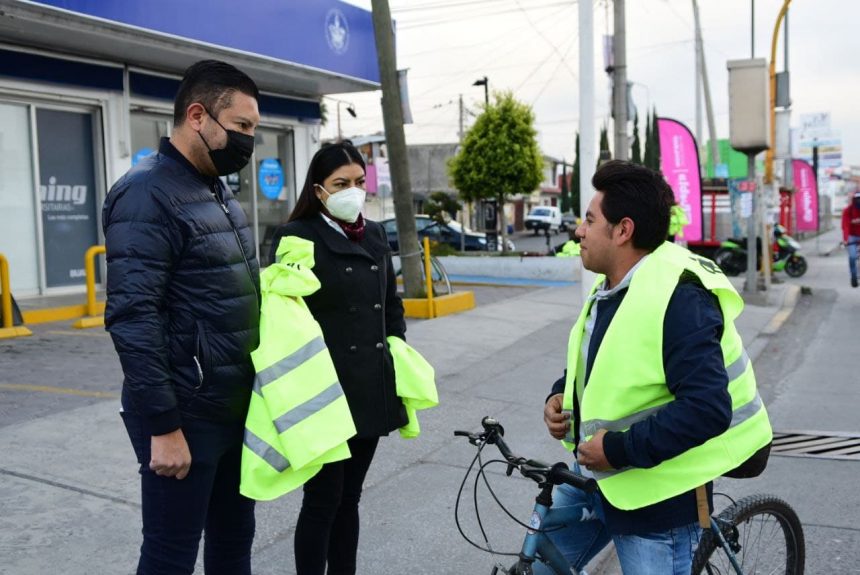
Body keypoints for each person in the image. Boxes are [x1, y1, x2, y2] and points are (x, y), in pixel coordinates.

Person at [540, 161, 772, 575]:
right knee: (539, 565)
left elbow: (707, 408)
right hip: (596, 472)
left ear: (623, 230)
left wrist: (614, 450)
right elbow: (604, 362)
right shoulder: (612, 283)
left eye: (590, 220)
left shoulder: (681, 295)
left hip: (659, 497)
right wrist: (560, 395)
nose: (578, 230)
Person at [103, 60, 261, 574]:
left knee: (234, 541)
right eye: (241, 127)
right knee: (171, 555)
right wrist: (164, 426)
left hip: (233, 407)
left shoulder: (216, 189)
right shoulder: (147, 192)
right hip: (186, 414)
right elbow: (132, 315)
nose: (248, 141)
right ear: (198, 115)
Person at [268, 141, 408, 575]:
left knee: (350, 498)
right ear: (319, 189)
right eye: (340, 183)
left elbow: (391, 305)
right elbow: (282, 320)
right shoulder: (298, 237)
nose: (352, 191)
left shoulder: (376, 234)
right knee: (323, 498)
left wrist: (396, 354)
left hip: (369, 386)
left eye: (358, 182)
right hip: (323, 392)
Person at [841, 190, 860, 288]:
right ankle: (853, 276)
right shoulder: (848, 211)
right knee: (852, 257)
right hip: (852, 236)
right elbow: (845, 226)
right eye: (857, 199)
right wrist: (846, 239)